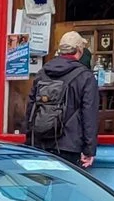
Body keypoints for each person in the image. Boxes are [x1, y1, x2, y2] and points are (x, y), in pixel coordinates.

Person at [25, 30, 100, 167]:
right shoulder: (86, 77)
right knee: (65, 188)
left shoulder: (42, 73)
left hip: (40, 144)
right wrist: (89, 150)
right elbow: (89, 114)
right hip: (69, 146)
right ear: (79, 50)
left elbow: (31, 109)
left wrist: (30, 140)